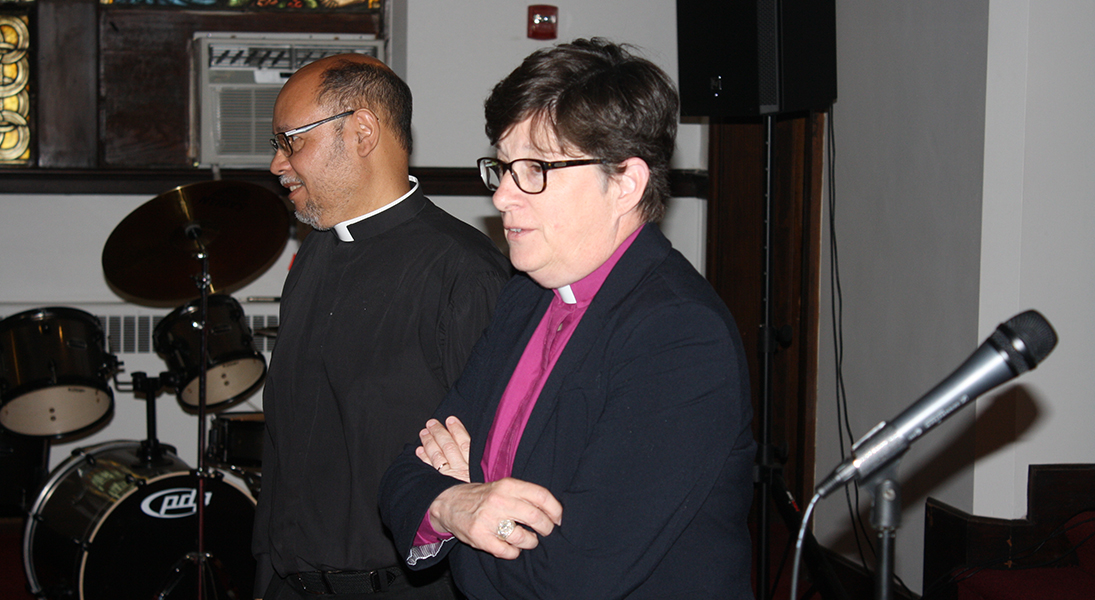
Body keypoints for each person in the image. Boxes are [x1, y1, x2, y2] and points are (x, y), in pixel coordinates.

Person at [379, 38, 755, 600]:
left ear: (625, 183)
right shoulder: (525, 298)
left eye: (534, 169)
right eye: (502, 168)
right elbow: (402, 475)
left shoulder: (678, 336)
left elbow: (570, 575)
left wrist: (466, 512)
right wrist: (453, 502)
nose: (504, 195)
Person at [253, 53, 511, 599]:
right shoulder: (315, 252)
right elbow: (285, 443)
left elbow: (489, 470)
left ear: (362, 131)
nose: (278, 165)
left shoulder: (463, 274)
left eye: (291, 140)